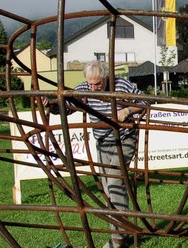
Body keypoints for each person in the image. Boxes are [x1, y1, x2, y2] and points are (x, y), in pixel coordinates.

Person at [45, 60, 149, 248]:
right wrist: (51, 104)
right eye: (91, 83)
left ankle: (118, 239)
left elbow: (145, 102)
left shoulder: (121, 85)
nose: (93, 88)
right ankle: (121, 232)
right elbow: (67, 105)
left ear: (106, 77)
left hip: (124, 140)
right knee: (108, 188)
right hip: (102, 142)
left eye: (98, 83)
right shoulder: (85, 88)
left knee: (115, 181)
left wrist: (127, 109)